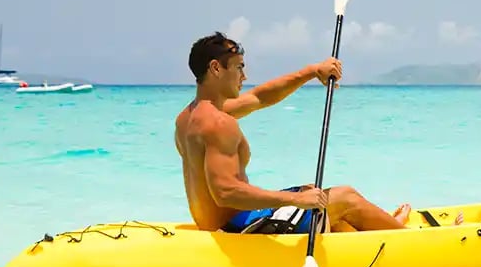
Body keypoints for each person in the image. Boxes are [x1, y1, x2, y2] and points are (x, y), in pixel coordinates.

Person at [175, 31, 414, 234]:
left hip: (220, 224)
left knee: (313, 191)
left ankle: (378, 232)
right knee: (346, 197)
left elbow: (259, 97)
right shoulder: (218, 123)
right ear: (216, 68)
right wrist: (295, 200)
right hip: (238, 228)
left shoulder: (189, 117)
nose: (244, 76)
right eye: (239, 68)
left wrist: (312, 71)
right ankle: (402, 238)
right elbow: (225, 193)